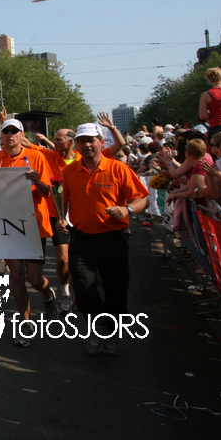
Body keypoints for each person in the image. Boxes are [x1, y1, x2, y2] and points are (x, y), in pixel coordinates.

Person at [60, 123, 149, 355]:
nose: (87, 145)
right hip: (82, 239)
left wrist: (127, 209)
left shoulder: (118, 168)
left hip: (113, 239)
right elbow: (64, 201)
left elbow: (142, 199)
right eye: (82, 141)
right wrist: (62, 218)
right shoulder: (70, 171)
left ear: (102, 142)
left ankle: (111, 333)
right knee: (84, 291)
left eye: (91, 140)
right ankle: (99, 325)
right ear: (76, 145)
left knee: (116, 291)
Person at [0, 118, 57, 346]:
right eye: (6, 131)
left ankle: (47, 293)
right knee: (16, 275)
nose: (10, 135)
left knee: (34, 279)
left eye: (14, 131)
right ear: (1, 136)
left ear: (21, 135)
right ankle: (25, 323)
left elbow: (47, 193)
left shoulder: (36, 157)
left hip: (34, 225)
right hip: (9, 226)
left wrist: (37, 180)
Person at [25, 128, 77, 314]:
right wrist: (5, 124)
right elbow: (24, 142)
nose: (54, 143)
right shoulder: (49, 155)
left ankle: (77, 291)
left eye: (58, 139)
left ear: (70, 142)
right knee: (61, 260)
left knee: (74, 260)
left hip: (76, 216)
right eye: (53, 139)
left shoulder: (81, 160)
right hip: (54, 216)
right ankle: (66, 294)